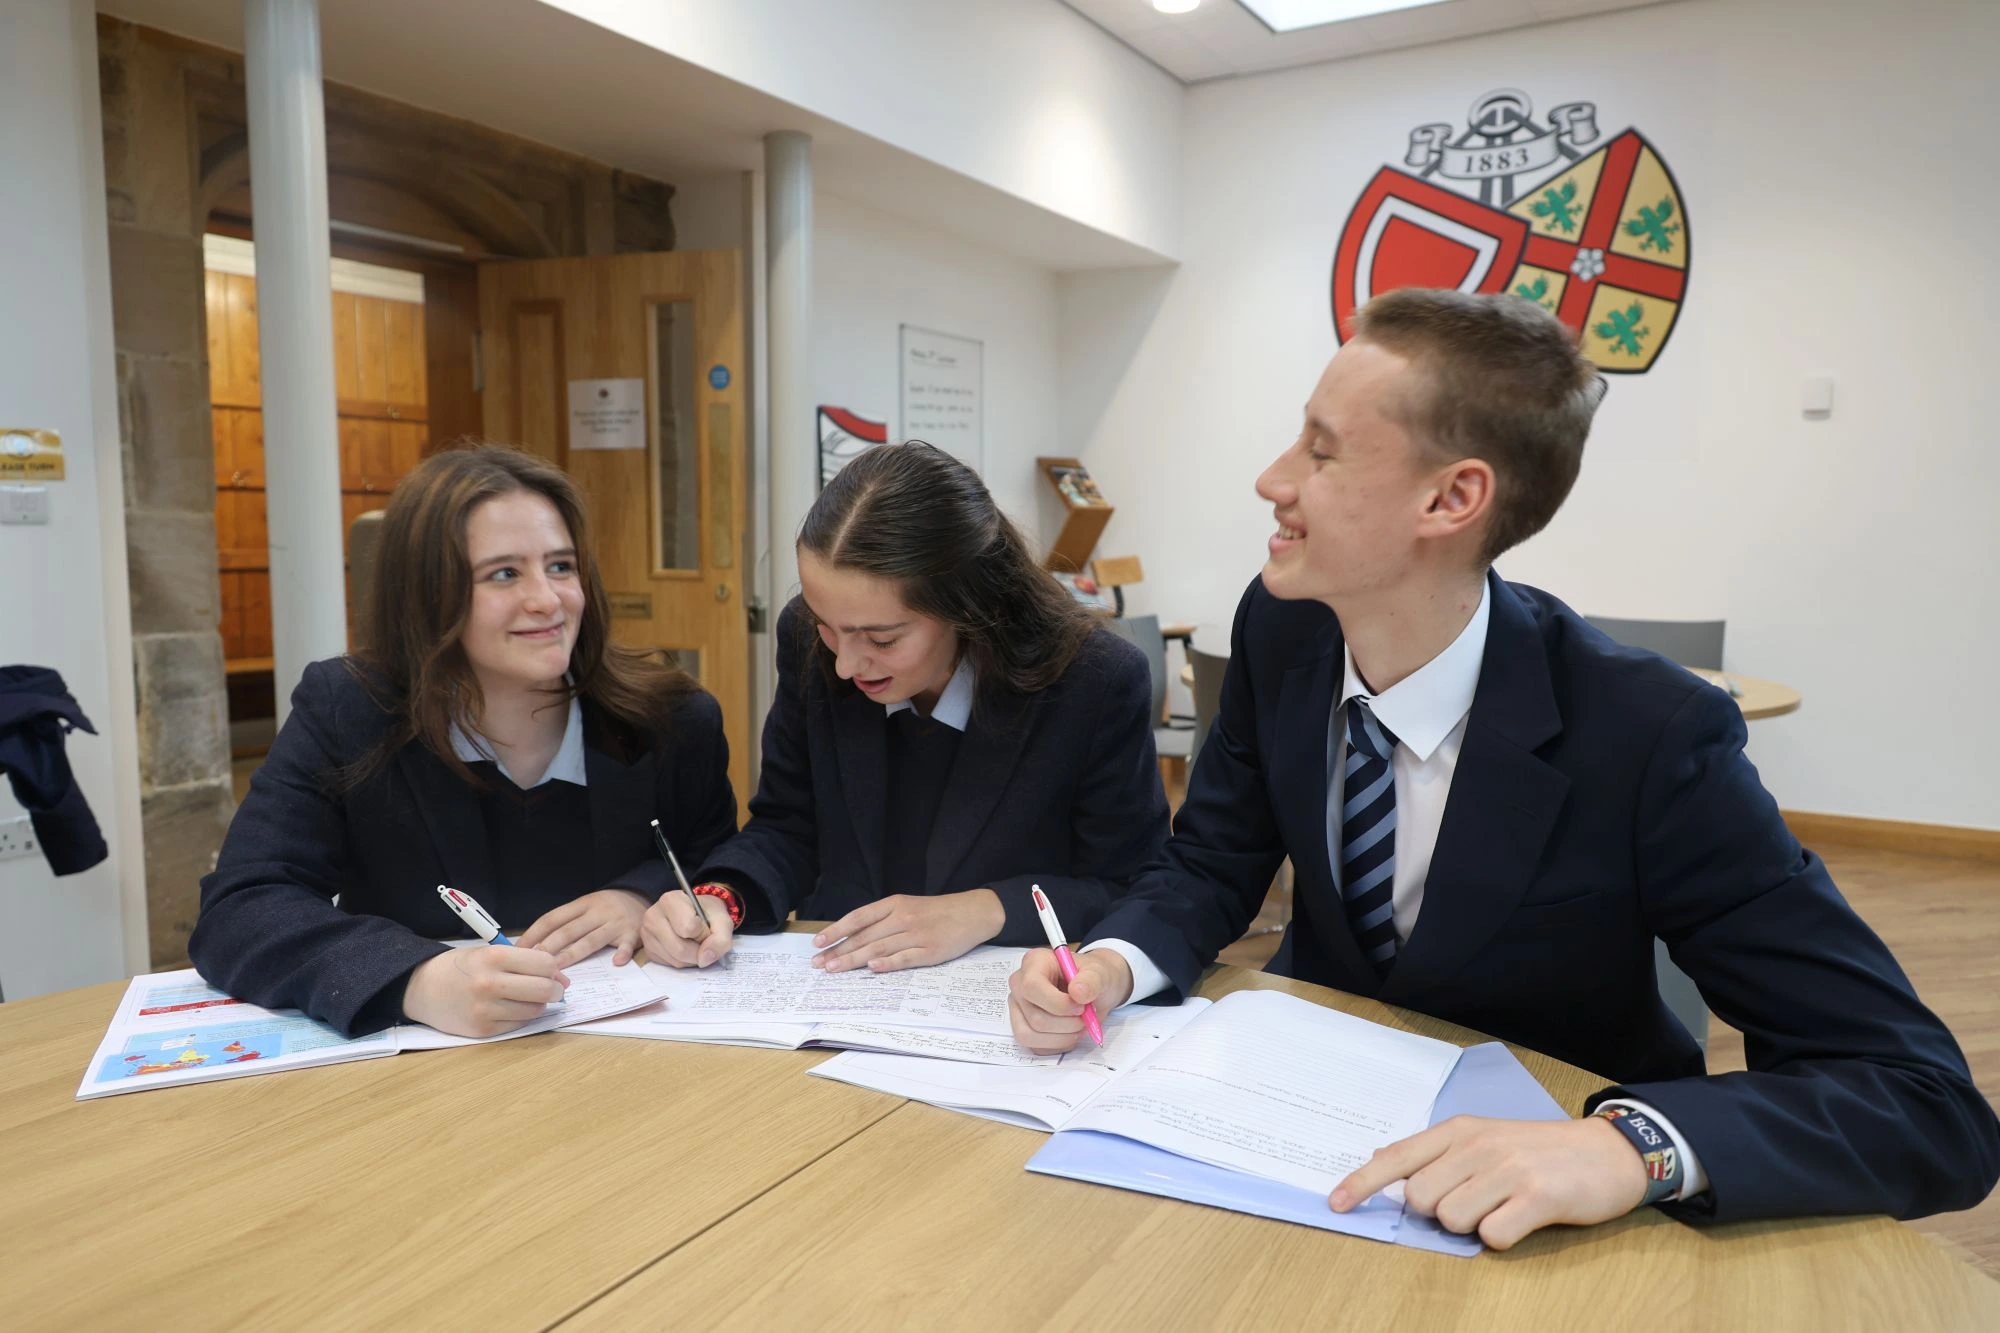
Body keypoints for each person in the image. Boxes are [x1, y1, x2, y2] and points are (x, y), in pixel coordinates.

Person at [1006, 289, 2000, 1244]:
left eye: (1318, 450)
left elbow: (1920, 1103)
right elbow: (1212, 861)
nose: (1272, 478)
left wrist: (1630, 1149)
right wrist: (1113, 962)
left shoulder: (1651, 733)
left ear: (1451, 497)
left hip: (1539, 1199)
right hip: (1296, 1128)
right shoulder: (1283, 626)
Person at [189, 444, 737, 1038]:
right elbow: (241, 908)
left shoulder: (673, 718)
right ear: (428, 596)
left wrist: (642, 897)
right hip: (424, 1081)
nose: (548, 600)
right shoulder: (348, 709)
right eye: (504, 574)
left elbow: (719, 863)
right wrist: (413, 978)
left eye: (560, 566)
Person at [642, 442, 1169, 973]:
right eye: (827, 624)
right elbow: (789, 825)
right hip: (838, 989)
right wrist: (721, 898)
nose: (846, 665)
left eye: (883, 638)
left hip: (1013, 1001)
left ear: (967, 605)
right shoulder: (808, 639)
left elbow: (1130, 884)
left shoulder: (1092, 679)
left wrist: (985, 910)